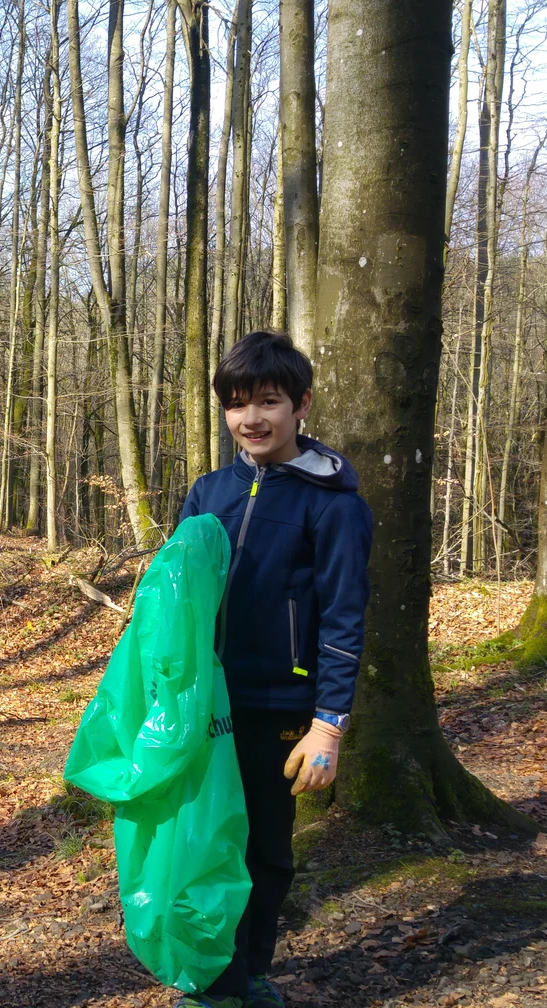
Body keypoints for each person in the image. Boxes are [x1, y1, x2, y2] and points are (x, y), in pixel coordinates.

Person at [174, 331, 372, 1008]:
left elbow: (344, 619)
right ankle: (207, 974)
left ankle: (249, 975)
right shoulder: (208, 492)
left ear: (301, 404)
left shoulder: (333, 503)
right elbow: (175, 603)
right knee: (201, 844)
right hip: (204, 704)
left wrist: (329, 725)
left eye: (268, 401)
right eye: (237, 404)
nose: (251, 418)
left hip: (278, 709)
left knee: (263, 849)